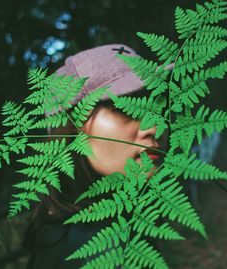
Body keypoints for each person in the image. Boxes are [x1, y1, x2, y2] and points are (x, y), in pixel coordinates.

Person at [23, 44, 167, 269]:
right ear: (71, 130)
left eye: (156, 107)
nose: (154, 127)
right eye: (126, 108)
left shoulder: (60, 231)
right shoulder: (96, 251)